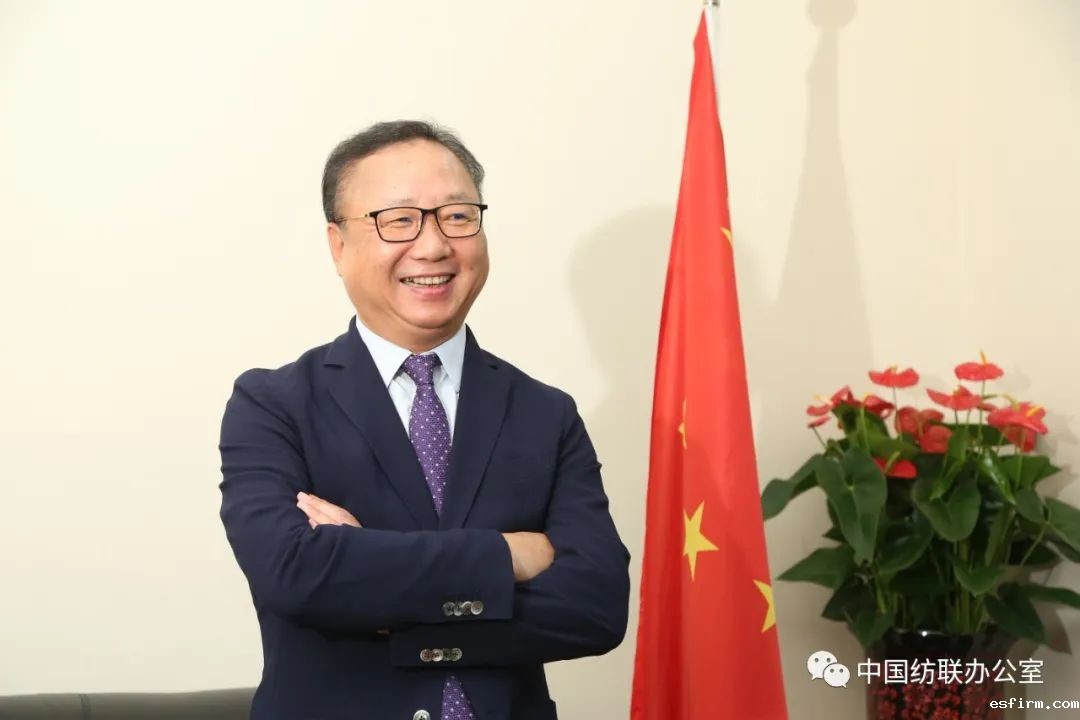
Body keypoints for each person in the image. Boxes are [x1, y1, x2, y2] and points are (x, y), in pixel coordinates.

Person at [218, 120, 630, 720]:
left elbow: (595, 607)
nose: (433, 246)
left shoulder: (545, 412)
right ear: (338, 245)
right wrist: (506, 558)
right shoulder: (272, 404)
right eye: (399, 220)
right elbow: (295, 574)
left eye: (457, 216)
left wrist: (378, 590)